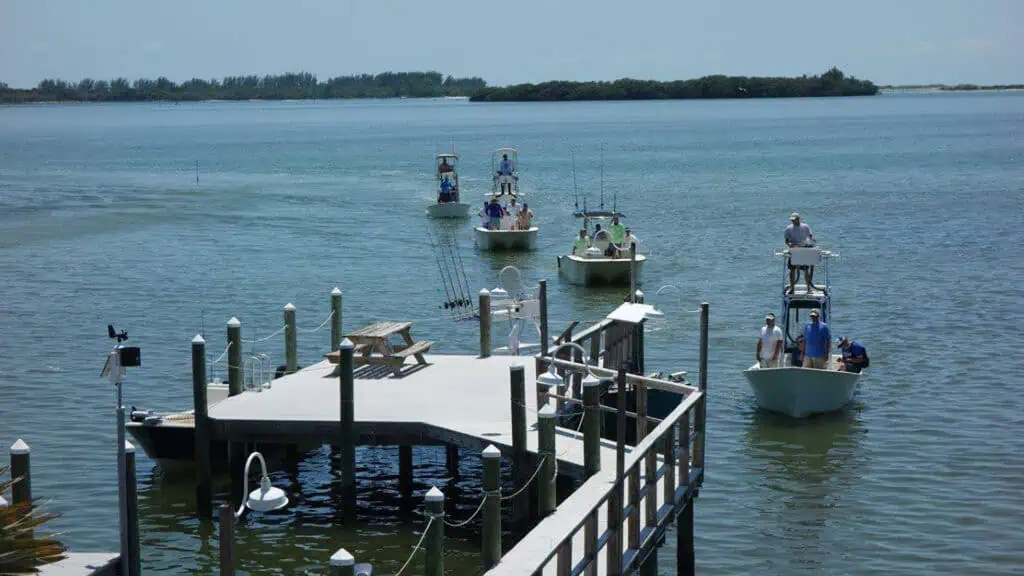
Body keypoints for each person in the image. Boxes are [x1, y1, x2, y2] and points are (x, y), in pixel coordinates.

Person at [785, 212, 816, 294]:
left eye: (794, 220)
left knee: (806, 270)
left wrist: (812, 240)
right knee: (792, 270)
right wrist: (790, 244)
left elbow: (811, 236)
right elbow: (787, 240)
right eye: (792, 220)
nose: (793, 221)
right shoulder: (788, 228)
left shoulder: (805, 226)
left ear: (798, 219)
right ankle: (792, 288)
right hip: (794, 251)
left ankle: (809, 288)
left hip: (803, 250)